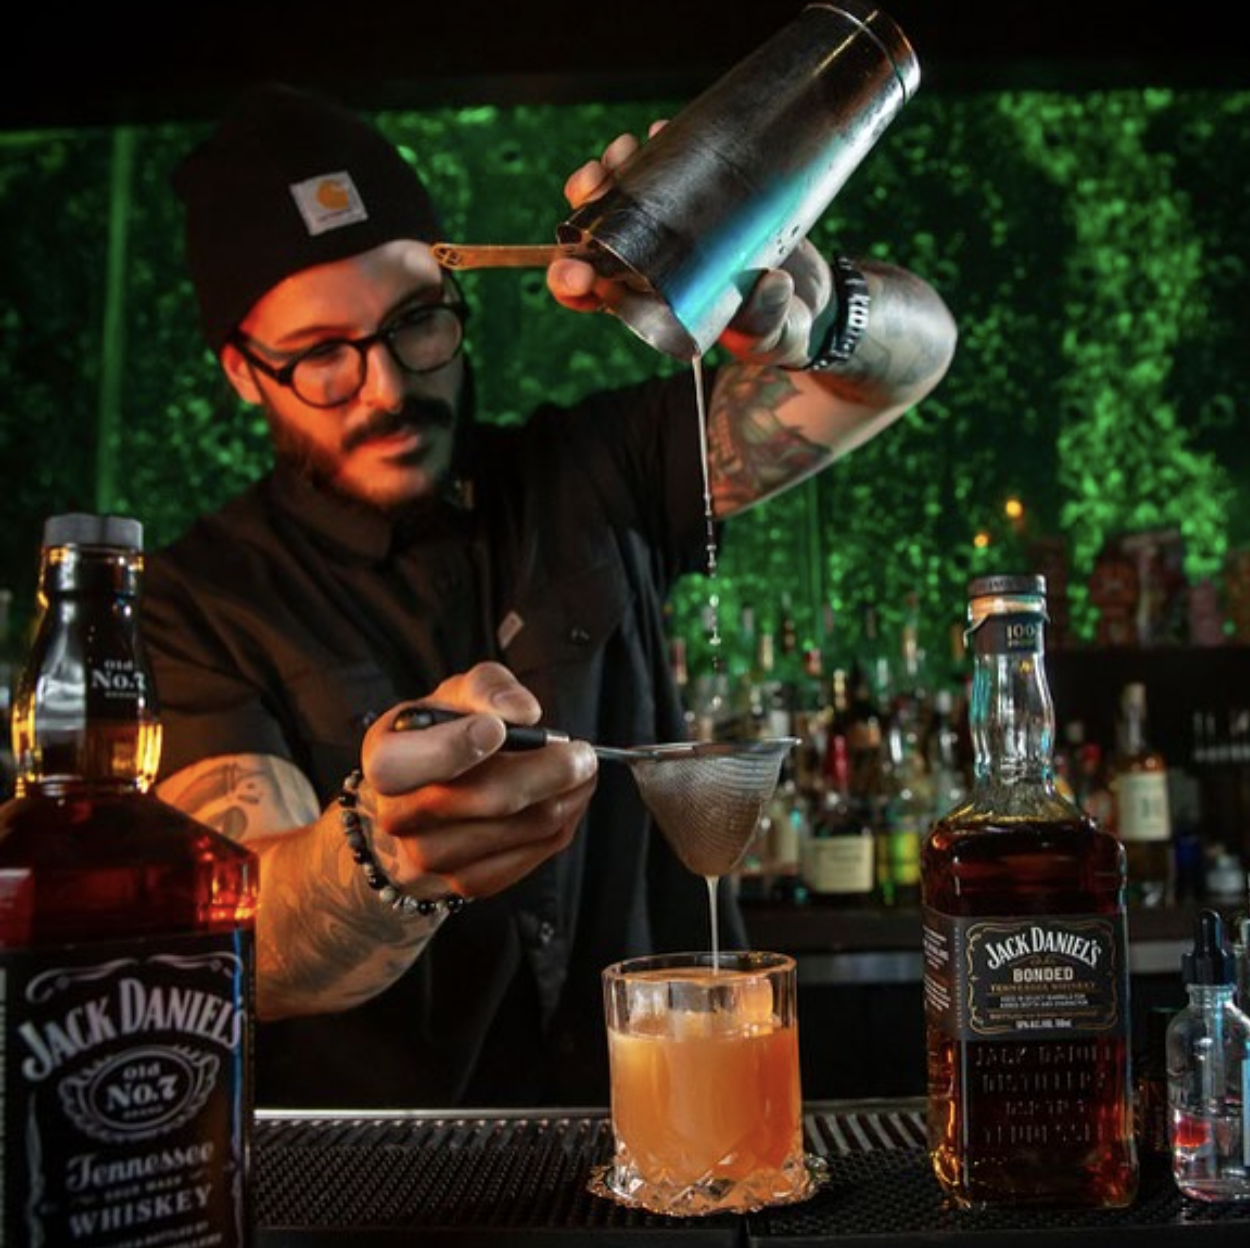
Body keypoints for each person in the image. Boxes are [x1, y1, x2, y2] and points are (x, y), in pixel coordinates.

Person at [143, 83, 958, 1109]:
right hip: (384, 1190)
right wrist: (381, 856)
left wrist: (808, 312)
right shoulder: (192, 603)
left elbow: (909, 358)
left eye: (416, 324)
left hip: (669, 1129)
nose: (388, 387)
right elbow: (234, 943)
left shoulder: (596, 472)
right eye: (318, 358)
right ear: (240, 371)